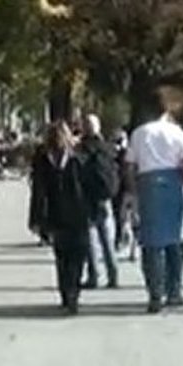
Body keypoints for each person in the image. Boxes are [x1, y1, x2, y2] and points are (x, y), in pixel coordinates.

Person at [125, 89, 183, 313]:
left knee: (151, 243)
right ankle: (174, 290)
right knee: (176, 240)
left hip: (148, 185)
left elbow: (129, 166)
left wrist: (131, 192)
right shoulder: (177, 132)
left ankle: (155, 293)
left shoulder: (139, 134)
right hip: (173, 184)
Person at [29, 121, 93, 315]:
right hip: (77, 214)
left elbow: (38, 192)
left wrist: (37, 218)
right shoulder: (78, 158)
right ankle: (72, 291)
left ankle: (67, 292)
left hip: (57, 215)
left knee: (63, 256)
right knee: (76, 255)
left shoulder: (44, 159)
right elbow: (88, 187)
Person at [77, 114, 120, 289]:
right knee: (107, 238)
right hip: (105, 198)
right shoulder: (107, 148)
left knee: (90, 239)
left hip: (87, 198)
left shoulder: (81, 149)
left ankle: (94, 275)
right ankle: (113, 274)